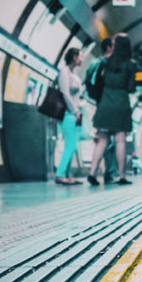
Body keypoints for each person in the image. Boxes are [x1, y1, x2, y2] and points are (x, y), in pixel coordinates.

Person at [87, 33, 138, 185]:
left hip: (105, 103)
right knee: (120, 140)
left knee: (102, 140)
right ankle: (121, 176)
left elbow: (97, 81)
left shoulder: (104, 62)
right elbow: (131, 87)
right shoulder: (131, 64)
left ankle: (92, 172)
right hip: (121, 103)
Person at [55, 48, 85, 185]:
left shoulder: (74, 75)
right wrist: (75, 111)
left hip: (75, 114)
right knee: (71, 146)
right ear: (74, 57)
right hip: (68, 114)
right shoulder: (64, 72)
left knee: (72, 145)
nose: (82, 58)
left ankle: (67, 175)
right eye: (80, 56)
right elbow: (64, 93)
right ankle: (60, 174)